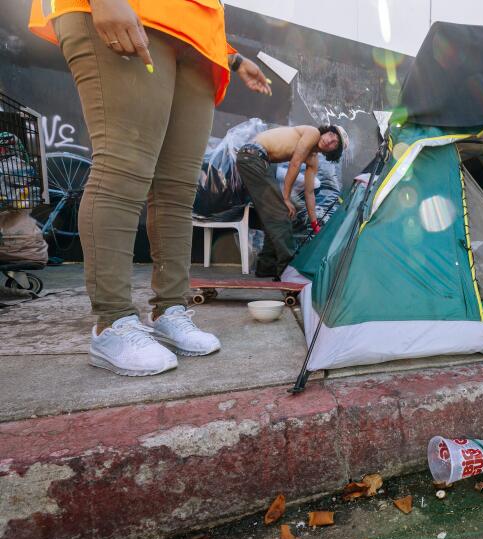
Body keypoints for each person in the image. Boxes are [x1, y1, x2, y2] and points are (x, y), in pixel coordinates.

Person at [29, 0, 271, 376]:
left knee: (178, 189)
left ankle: (170, 309)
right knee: (123, 167)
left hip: (199, 40)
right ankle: (112, 322)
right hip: (132, 10)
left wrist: (234, 59)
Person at [236, 124, 349, 278]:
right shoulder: (313, 133)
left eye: (335, 143)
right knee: (281, 213)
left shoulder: (313, 160)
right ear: (325, 132)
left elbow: (309, 193)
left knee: (276, 215)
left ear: (333, 152)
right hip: (253, 156)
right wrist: (286, 198)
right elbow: (295, 163)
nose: (330, 141)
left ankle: (266, 267)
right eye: (330, 135)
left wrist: (315, 224)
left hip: (260, 161)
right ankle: (288, 271)